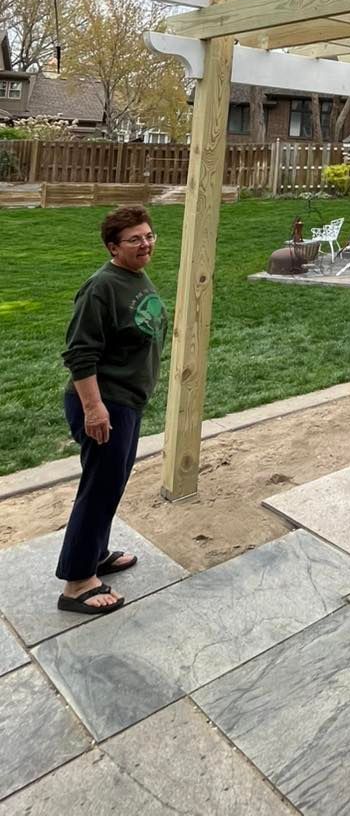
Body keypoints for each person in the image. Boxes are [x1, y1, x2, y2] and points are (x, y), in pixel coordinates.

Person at [54, 206, 169, 616]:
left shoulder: (133, 276)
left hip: (126, 402)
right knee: (100, 488)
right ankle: (77, 581)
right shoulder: (100, 287)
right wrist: (94, 408)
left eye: (149, 236)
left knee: (110, 484)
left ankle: (96, 552)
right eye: (134, 239)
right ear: (112, 247)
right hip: (105, 402)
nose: (145, 244)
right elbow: (79, 353)